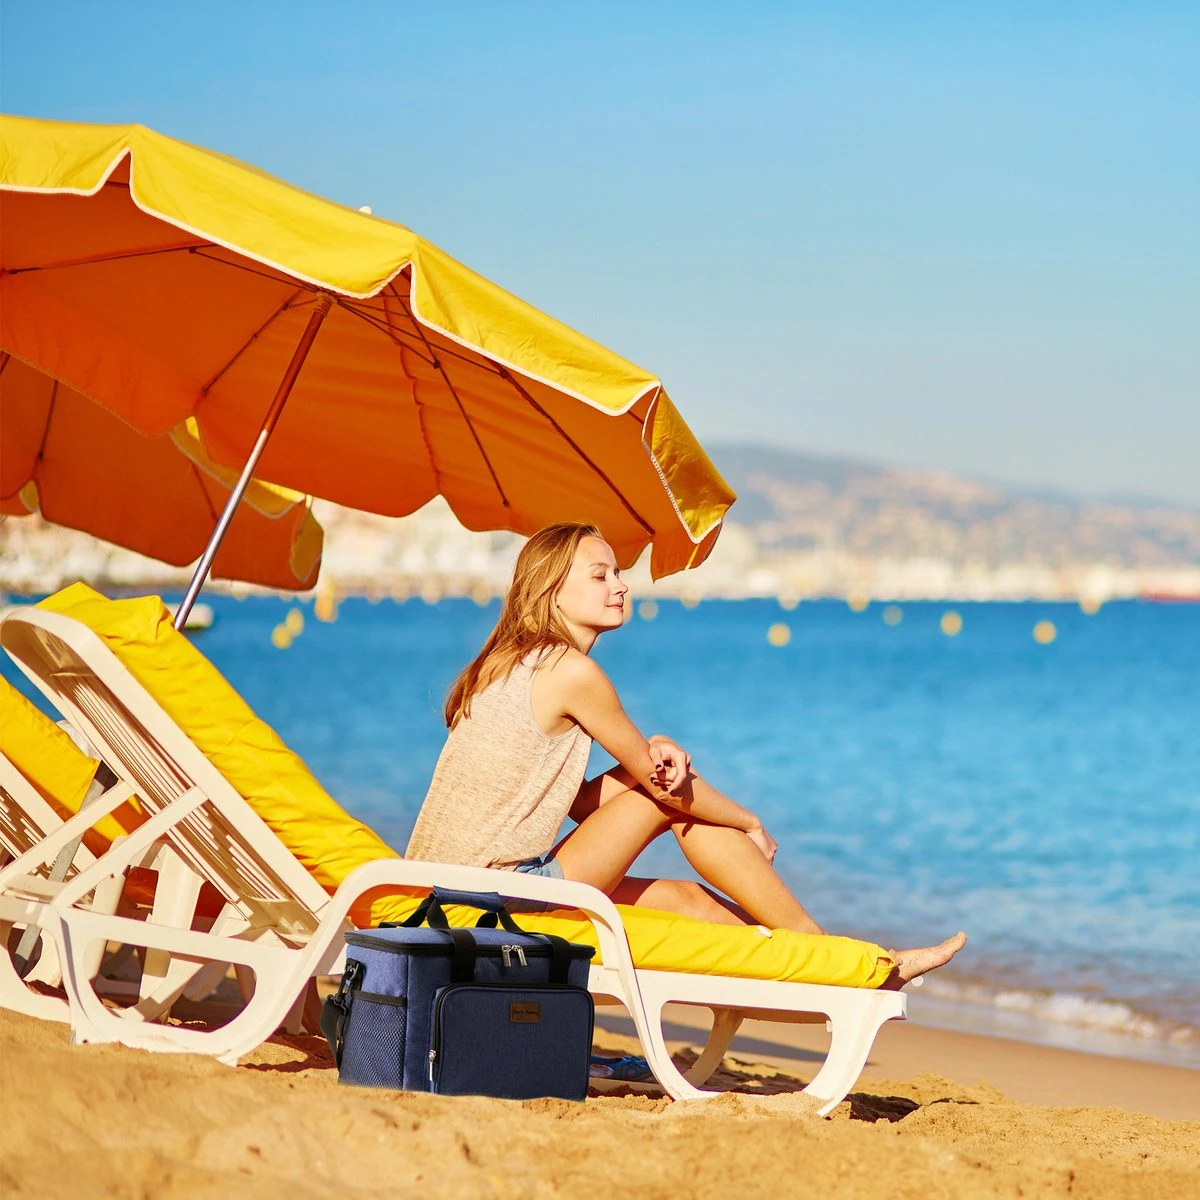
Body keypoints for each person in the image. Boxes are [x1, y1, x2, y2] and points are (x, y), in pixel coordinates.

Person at [406, 522, 966, 985]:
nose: (619, 586)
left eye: (618, 573)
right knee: (670, 801)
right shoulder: (570, 671)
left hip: (446, 889)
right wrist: (748, 821)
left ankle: (844, 966)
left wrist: (647, 756)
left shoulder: (504, 665)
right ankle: (835, 957)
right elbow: (660, 790)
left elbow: (572, 802)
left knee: (687, 901)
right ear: (551, 590)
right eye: (599, 575)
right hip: (498, 897)